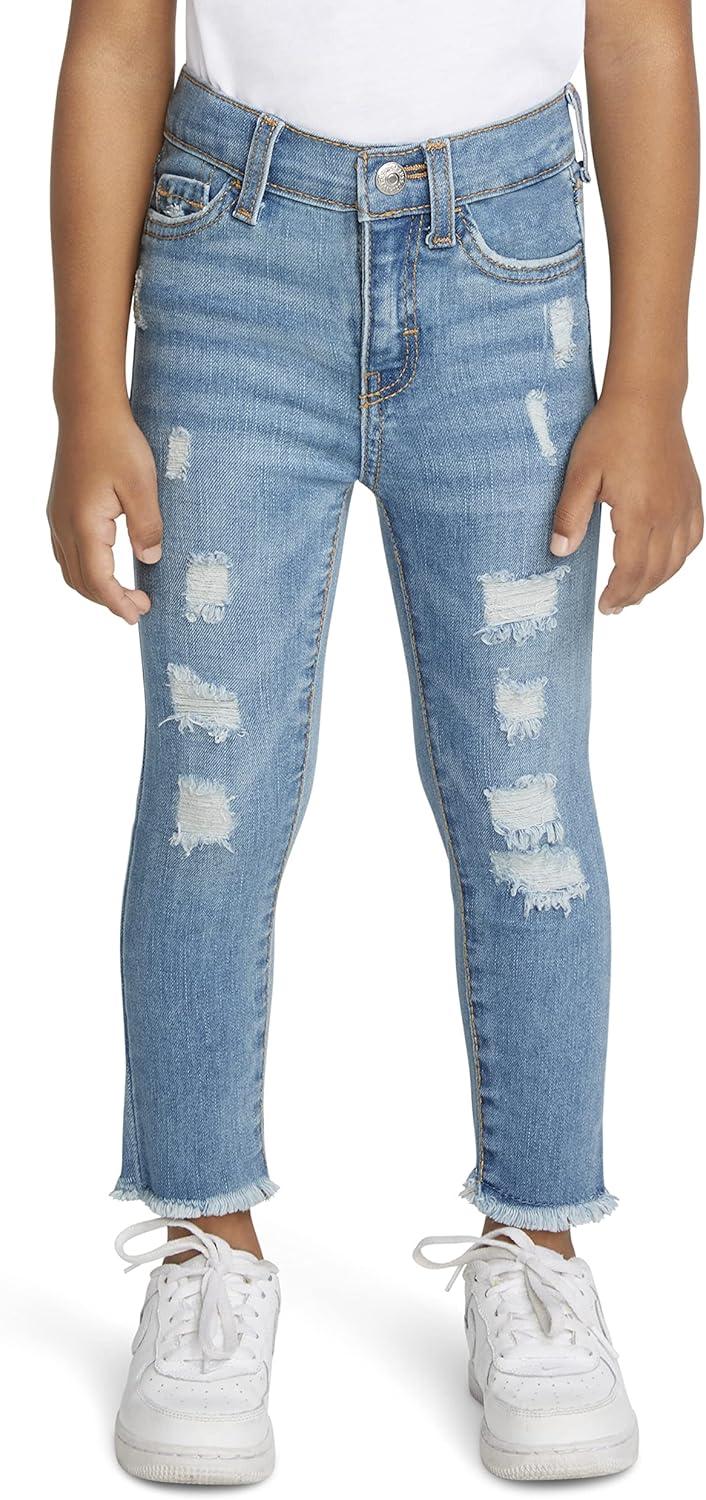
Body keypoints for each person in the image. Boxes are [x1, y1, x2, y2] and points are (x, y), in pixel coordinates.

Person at [48, 0, 701, 1484]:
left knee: (527, 804)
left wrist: (651, 384)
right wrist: (85, 389)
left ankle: (540, 1244)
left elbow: (640, 34)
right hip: (229, 262)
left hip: (506, 264)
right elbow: (116, 37)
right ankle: (206, 1246)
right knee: (209, 796)